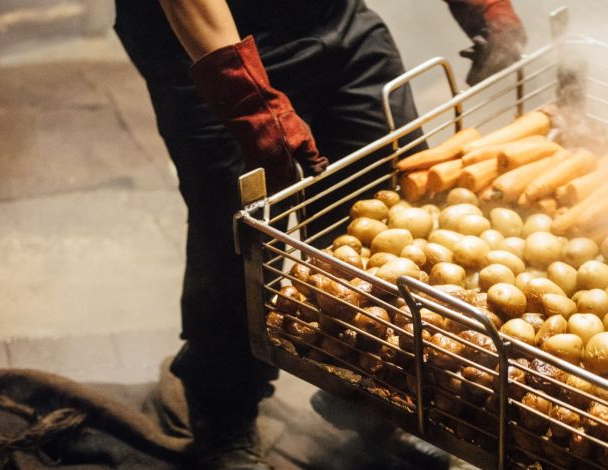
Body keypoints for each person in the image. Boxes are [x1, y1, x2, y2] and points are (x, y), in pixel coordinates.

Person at [112, 1, 526, 468]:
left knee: (389, 208)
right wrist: (245, 98)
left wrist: (487, 8)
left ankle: (366, 398)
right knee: (241, 234)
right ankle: (224, 421)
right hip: (200, 41)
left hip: (329, 17)